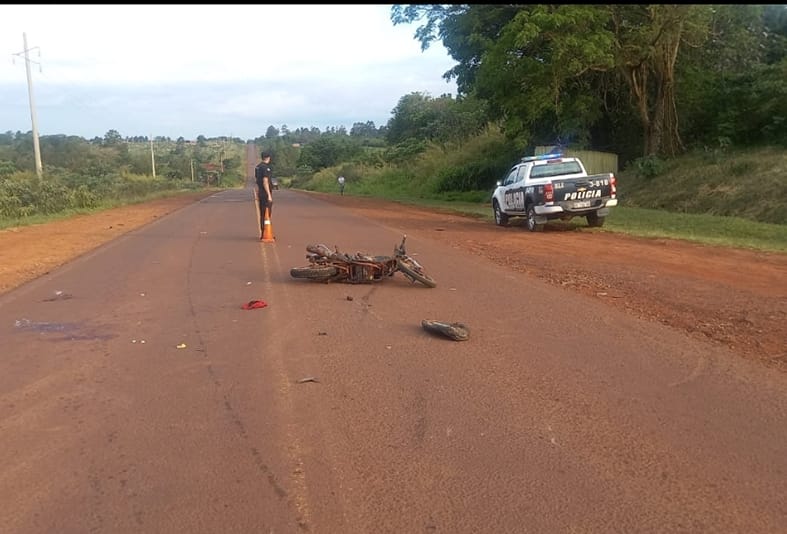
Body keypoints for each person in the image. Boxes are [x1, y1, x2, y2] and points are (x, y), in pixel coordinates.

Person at [254, 151, 273, 239]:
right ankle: (266, 233)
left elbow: (257, 181)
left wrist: (258, 193)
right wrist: (269, 195)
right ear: (268, 157)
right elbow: (265, 181)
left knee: (262, 213)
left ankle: (263, 232)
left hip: (261, 192)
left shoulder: (257, 167)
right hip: (265, 193)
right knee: (267, 213)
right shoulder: (265, 167)